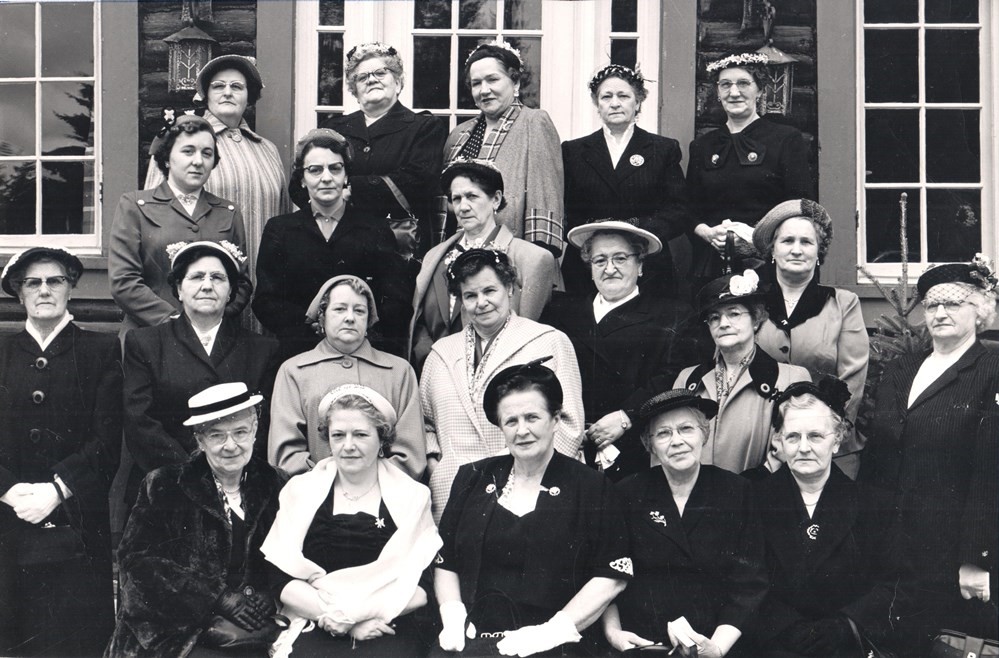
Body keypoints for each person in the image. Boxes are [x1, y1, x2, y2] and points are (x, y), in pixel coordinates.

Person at [433, 359, 631, 657]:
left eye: (532, 417)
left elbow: (612, 574)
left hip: (556, 643)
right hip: (473, 637)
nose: (521, 430)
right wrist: (452, 615)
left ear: (555, 419)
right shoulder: (472, 477)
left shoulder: (591, 487)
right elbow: (445, 560)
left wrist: (553, 631)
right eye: (511, 421)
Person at [862, 258, 999, 645]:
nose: (940, 313)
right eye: (933, 304)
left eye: (953, 303)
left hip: (950, 551)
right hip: (892, 549)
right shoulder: (902, 368)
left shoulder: (992, 369)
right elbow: (878, 457)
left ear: (980, 310)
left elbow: (991, 471)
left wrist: (976, 558)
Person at [0, 247, 121, 656]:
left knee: (76, 636)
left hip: (77, 516)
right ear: (19, 294)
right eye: (33, 282)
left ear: (70, 288)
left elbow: (107, 440)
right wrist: (8, 490)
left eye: (55, 281)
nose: (45, 290)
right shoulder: (1, 352)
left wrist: (57, 490)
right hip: (7, 516)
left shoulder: (101, 351)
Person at [261, 385, 440, 658]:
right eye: (338, 435)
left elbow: (423, 587)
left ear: (382, 438)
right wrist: (340, 620)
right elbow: (281, 578)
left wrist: (356, 617)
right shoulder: (301, 491)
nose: (348, 446)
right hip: (316, 619)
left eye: (360, 434)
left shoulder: (412, 496)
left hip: (388, 620)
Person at [107, 382, 285, 657]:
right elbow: (136, 565)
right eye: (217, 435)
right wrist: (218, 599)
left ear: (255, 431)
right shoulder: (165, 485)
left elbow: (293, 557)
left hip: (248, 630)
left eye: (240, 432)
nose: (231, 446)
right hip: (173, 634)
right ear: (200, 441)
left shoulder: (274, 483)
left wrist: (270, 596)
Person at [749, 378, 910, 657]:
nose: (803, 447)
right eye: (793, 437)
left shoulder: (874, 506)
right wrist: (784, 626)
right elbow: (745, 580)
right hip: (773, 645)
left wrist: (846, 625)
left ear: (837, 441)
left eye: (815, 436)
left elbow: (895, 583)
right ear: (779, 441)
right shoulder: (753, 501)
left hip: (844, 647)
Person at [541, 221, 712, 480]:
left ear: (640, 265)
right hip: (569, 444)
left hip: (637, 445)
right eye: (600, 260)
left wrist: (626, 416)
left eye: (620, 258)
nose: (609, 269)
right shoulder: (562, 312)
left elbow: (675, 375)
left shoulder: (672, 316)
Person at [605, 390, 766, 656]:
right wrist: (614, 635)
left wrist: (716, 648)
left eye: (686, 429)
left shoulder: (736, 491)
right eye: (664, 433)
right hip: (643, 643)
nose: (676, 441)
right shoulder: (627, 493)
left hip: (716, 642)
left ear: (704, 434)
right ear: (649, 444)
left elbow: (750, 585)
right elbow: (608, 571)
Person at [123, 240, 279, 509]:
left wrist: (229, 470)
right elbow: (139, 421)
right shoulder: (145, 343)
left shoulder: (261, 349)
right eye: (196, 277)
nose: (207, 285)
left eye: (218, 278)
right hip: (166, 485)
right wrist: (193, 473)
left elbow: (262, 425)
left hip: (240, 484)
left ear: (230, 291)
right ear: (179, 289)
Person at [253, 128, 411, 361]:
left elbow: (396, 298)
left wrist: (359, 330)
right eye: (315, 170)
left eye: (335, 168)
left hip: (362, 350)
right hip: (300, 352)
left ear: (346, 176)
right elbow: (266, 301)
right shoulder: (280, 229)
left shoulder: (375, 229)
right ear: (303, 179)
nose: (326, 177)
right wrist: (311, 326)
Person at [145, 54, 291, 295]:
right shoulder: (180, 140)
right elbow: (153, 215)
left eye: (237, 86)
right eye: (218, 86)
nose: (227, 93)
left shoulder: (268, 150)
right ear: (206, 95)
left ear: (250, 95)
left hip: (264, 286)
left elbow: (283, 218)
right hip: (201, 286)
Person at [752, 199, 869, 476]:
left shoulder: (843, 303)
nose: (796, 249)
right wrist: (775, 439)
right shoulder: (752, 303)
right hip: (759, 443)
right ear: (773, 250)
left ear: (819, 253)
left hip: (827, 443)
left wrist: (826, 434)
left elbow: (852, 377)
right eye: (787, 241)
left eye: (806, 242)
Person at [268, 275, 425, 480]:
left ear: (369, 320)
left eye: (359, 311)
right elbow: (285, 454)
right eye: (340, 309)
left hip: (386, 500)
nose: (350, 317)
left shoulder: (399, 371)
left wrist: (371, 487)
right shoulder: (294, 372)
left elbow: (410, 453)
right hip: (316, 501)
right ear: (322, 316)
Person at [110, 113, 253, 334]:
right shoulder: (135, 205)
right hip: (149, 335)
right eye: (188, 151)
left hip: (213, 338)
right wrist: (174, 322)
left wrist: (210, 322)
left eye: (207, 153)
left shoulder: (228, 212)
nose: (198, 161)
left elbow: (241, 283)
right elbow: (124, 281)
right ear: (167, 158)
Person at [410, 160, 558, 369]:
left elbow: (525, 336)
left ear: (496, 199)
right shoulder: (434, 256)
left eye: (472, 196)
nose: (463, 207)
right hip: (438, 371)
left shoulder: (533, 259)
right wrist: (430, 359)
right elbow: (421, 323)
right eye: (457, 199)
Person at [686, 52, 813, 287]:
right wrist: (707, 232)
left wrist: (757, 236)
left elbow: (799, 204)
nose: (734, 92)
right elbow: (689, 207)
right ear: (718, 92)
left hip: (767, 262)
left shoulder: (785, 139)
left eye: (743, 83)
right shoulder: (702, 146)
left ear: (760, 90)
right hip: (712, 263)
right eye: (725, 85)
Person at [561, 64, 689, 296]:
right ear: (596, 103)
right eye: (606, 96)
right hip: (590, 263)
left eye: (623, 96)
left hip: (648, 262)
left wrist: (637, 231)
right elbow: (566, 210)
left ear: (638, 102)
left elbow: (678, 210)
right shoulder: (574, 151)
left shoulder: (662, 149)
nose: (615, 103)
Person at [675, 270, 810, 474]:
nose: (724, 324)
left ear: (756, 320)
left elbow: (790, 449)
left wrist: (750, 490)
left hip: (755, 498)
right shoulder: (688, 379)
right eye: (714, 318)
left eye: (734, 314)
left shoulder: (791, 378)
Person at [323, 42, 447, 256]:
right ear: (354, 90)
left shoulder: (424, 127)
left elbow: (419, 180)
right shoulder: (334, 129)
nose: (371, 79)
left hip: (398, 249)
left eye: (381, 72)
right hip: (340, 244)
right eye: (362, 77)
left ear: (398, 83)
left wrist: (351, 189)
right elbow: (301, 181)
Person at [444, 40, 565, 256]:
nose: (484, 90)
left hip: (513, 253)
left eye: (493, 80)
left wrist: (536, 259)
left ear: (515, 82)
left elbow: (544, 199)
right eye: (476, 83)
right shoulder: (458, 135)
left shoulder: (534, 122)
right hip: (462, 251)